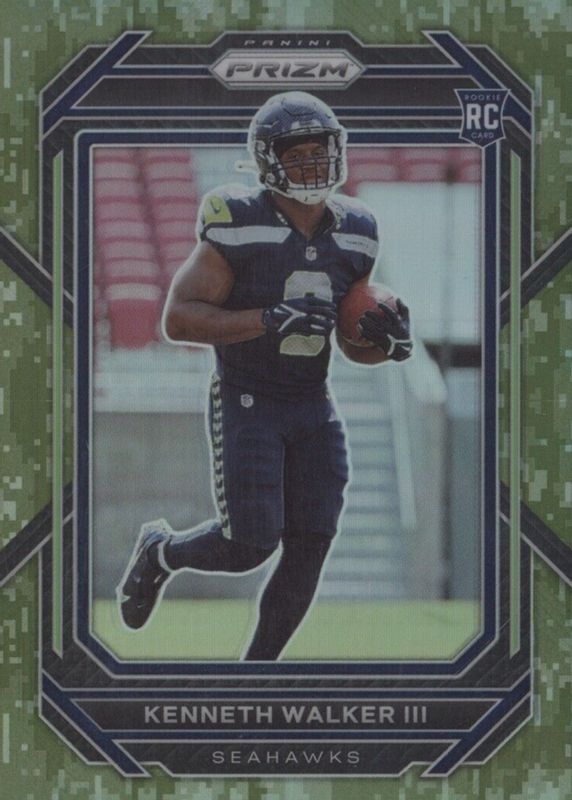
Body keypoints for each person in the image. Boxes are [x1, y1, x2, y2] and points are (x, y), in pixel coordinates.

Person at [116, 91, 412, 661]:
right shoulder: (238, 219)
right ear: (268, 161)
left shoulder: (357, 229)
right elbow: (177, 320)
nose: (311, 164)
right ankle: (161, 551)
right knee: (249, 545)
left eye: (319, 151)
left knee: (311, 543)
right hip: (247, 396)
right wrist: (268, 319)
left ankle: (257, 672)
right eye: (296, 154)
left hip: (312, 402)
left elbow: (350, 346)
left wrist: (387, 344)